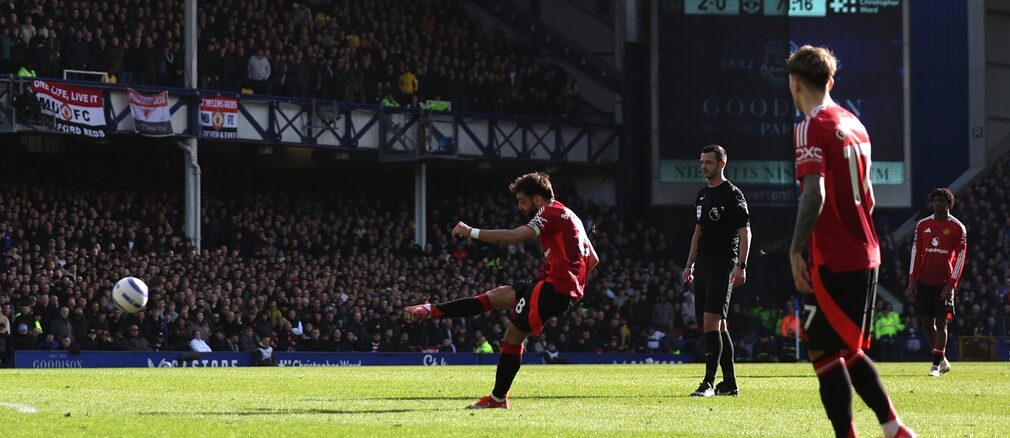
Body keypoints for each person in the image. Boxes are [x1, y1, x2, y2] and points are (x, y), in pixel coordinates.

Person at [786, 45, 916, 438]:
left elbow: (815, 193)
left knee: (824, 350)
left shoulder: (810, 125)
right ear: (831, 80)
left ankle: (861, 432)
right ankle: (893, 429)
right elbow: (870, 196)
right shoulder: (856, 123)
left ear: (794, 83)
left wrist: (795, 249)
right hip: (866, 250)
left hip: (835, 257)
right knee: (841, 348)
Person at [404, 172, 598, 409]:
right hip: (553, 285)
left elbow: (514, 237)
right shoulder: (571, 216)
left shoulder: (548, 212)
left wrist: (470, 231)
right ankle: (430, 310)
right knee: (494, 297)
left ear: (538, 200)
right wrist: (573, 281)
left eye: (522, 201)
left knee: (512, 337)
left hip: (553, 288)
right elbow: (593, 260)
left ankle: (497, 399)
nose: (519, 207)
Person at [683, 144, 751, 397]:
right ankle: (730, 384)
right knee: (716, 325)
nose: (703, 166)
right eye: (701, 162)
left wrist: (741, 265)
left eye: (708, 162)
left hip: (724, 264)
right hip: (703, 265)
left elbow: (746, 232)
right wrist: (689, 264)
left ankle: (708, 383)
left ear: (722, 163)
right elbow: (698, 232)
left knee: (711, 320)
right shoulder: (702, 195)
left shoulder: (732, 194)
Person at [907, 187, 966, 376]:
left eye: (941, 201)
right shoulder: (923, 225)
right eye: (934, 201)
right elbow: (916, 253)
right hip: (924, 280)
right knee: (926, 321)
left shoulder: (958, 227)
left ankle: (935, 365)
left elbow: (961, 257)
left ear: (949, 204)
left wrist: (952, 284)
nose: (937, 204)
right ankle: (942, 359)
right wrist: (912, 280)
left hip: (943, 282)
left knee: (942, 322)